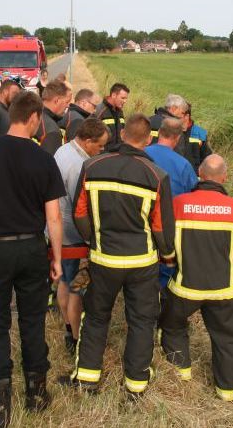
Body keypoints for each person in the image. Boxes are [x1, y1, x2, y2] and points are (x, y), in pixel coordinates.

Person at [0, 91, 66, 426]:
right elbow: (54, 218)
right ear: (33, 118)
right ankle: (37, 395)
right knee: (32, 320)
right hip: (32, 248)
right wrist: (57, 258)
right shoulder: (44, 159)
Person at [63, 113, 175, 399]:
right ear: (148, 141)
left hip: (103, 259)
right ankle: (136, 383)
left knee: (96, 317)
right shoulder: (157, 175)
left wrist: (93, 239)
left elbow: (79, 212)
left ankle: (87, 378)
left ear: (122, 135)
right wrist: (168, 255)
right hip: (142, 263)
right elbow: (161, 227)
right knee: (141, 321)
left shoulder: (92, 166)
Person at [159, 154, 233, 402]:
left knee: (172, 326)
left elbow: (166, 243)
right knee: (228, 340)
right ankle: (228, 393)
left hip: (185, 288)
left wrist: (170, 261)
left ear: (199, 174)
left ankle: (181, 375)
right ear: (224, 177)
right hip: (224, 292)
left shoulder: (178, 204)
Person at [53, 118, 110, 355]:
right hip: (74, 236)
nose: (102, 150)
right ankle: (76, 339)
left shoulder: (64, 149)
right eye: (100, 145)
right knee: (77, 289)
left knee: (64, 282)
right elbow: (81, 208)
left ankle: (68, 326)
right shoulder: (79, 167)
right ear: (87, 141)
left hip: (59, 233)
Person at [145, 117, 199, 288]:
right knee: (164, 273)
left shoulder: (141, 155)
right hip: (168, 229)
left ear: (159, 132)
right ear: (178, 138)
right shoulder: (183, 165)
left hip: (139, 224)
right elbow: (193, 197)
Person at [33, 80, 72, 156]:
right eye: (67, 102)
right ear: (57, 101)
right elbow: (49, 161)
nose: (68, 106)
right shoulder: (52, 131)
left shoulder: (30, 113)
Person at [93, 83, 130, 152]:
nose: (125, 101)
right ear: (113, 95)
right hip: (103, 155)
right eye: (122, 98)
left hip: (117, 154)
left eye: (126, 98)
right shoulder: (100, 111)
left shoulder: (120, 112)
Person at [180, 102, 212, 172]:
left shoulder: (199, 134)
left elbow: (207, 159)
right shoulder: (170, 130)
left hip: (194, 175)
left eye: (178, 116)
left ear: (187, 116)